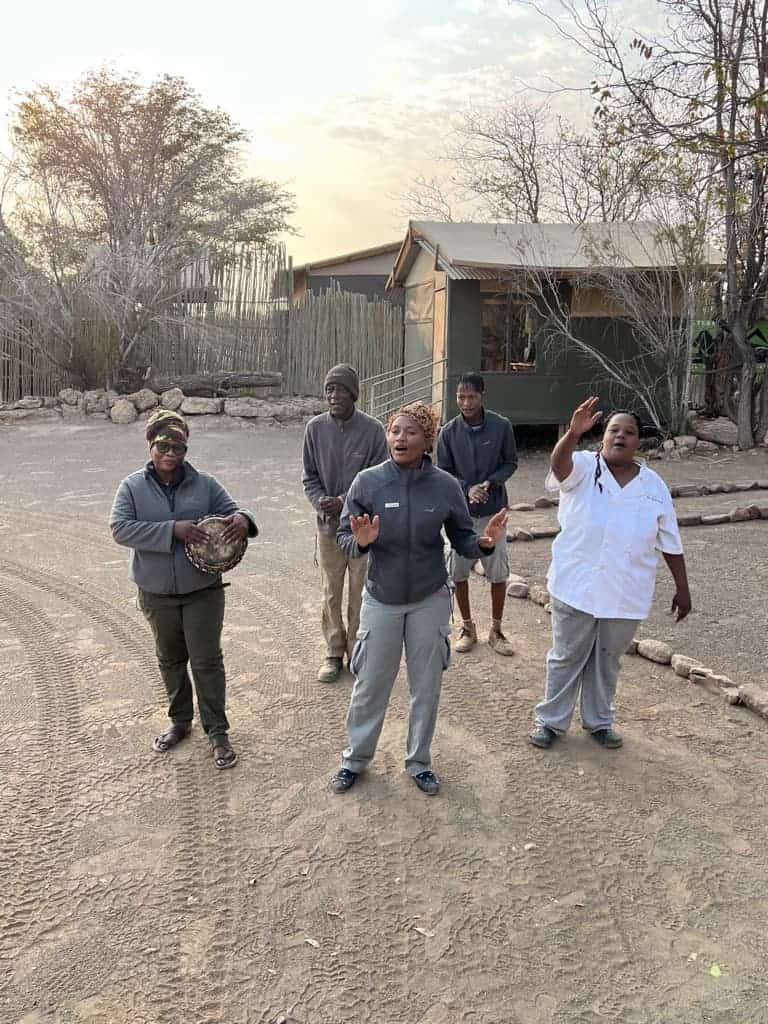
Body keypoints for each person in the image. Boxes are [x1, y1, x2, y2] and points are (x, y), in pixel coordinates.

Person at [330, 401, 508, 796]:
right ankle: (354, 760)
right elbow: (344, 536)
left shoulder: (445, 486)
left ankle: (419, 762)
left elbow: (462, 537)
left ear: (427, 439)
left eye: (410, 432)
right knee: (370, 684)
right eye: (395, 430)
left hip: (429, 598)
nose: (400, 438)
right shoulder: (368, 483)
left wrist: (483, 543)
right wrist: (361, 543)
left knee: (425, 687)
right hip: (382, 597)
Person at [528, 397, 692, 750]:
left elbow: (670, 540)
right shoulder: (584, 466)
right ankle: (551, 722)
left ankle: (599, 721)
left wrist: (683, 588)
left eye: (629, 432)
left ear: (638, 441)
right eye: (614, 430)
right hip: (575, 584)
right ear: (602, 436)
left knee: (607, 661)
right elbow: (558, 467)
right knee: (566, 657)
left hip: (625, 590)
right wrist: (573, 433)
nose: (621, 436)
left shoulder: (654, 487)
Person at [110, 408, 258, 769]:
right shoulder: (132, 487)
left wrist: (243, 520)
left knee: (207, 661)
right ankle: (179, 721)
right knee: (171, 659)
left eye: (178, 447)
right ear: (150, 445)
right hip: (156, 592)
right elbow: (120, 528)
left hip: (202, 591)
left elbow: (235, 512)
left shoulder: (204, 484)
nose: (171, 454)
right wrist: (171, 530)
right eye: (163, 446)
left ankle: (217, 732)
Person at [302, 364, 388, 683]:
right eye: (329, 389)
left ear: (353, 394)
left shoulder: (373, 430)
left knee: (361, 591)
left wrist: (343, 501)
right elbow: (309, 476)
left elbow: (380, 479)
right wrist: (320, 501)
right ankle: (333, 651)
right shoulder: (314, 429)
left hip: (361, 527)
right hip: (328, 528)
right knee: (331, 592)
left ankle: (357, 651)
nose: (333, 395)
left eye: (340, 389)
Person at [437, 372, 518, 656]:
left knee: (497, 572)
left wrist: (490, 482)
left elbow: (510, 462)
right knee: (459, 572)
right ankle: (467, 627)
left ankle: (496, 630)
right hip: (460, 516)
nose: (466, 403)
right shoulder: (448, 432)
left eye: (472, 397)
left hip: (493, 515)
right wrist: (466, 488)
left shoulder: (501, 426)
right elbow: (443, 471)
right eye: (461, 397)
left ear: (483, 395)